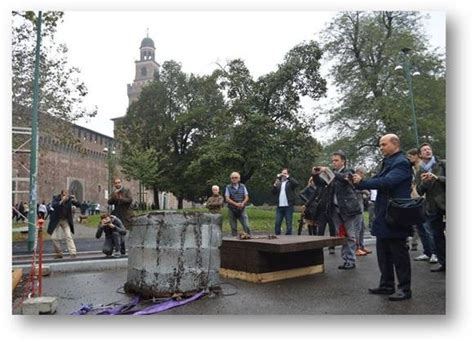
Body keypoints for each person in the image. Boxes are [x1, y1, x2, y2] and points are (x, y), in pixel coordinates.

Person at [352, 134, 413, 301]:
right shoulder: (389, 161)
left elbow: (387, 182)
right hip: (384, 212)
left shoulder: (401, 162)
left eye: (383, 144)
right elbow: (380, 179)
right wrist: (361, 182)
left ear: (395, 144)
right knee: (383, 251)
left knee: (399, 253)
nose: (381, 148)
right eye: (380, 145)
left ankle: (405, 289)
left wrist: (363, 182)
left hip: (396, 213)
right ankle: (386, 285)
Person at [311, 151, 362, 270]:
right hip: (335, 209)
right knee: (341, 235)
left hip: (347, 209)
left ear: (343, 161)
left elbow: (345, 179)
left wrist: (329, 171)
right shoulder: (332, 174)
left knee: (350, 235)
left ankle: (351, 260)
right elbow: (320, 184)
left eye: (336, 160)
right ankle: (346, 260)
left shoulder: (348, 171)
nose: (334, 162)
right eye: (332, 161)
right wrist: (315, 174)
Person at [415, 143, 446, 272]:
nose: (428, 151)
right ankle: (444, 263)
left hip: (447, 202)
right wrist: (425, 182)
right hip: (433, 206)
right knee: (437, 235)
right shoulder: (420, 170)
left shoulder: (442, 164)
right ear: (420, 155)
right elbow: (420, 191)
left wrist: (436, 177)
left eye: (429, 149)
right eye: (424, 150)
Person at [407, 148, 437, 264]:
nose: (409, 159)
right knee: (420, 227)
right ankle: (427, 251)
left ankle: (434, 252)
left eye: (411, 156)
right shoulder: (412, 169)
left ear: (417, 156)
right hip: (414, 199)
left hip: (422, 199)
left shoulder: (422, 167)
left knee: (427, 227)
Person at [47, 190, 81, 259]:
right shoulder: (56, 198)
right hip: (56, 220)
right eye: (65, 195)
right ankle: (59, 253)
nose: (66, 196)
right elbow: (54, 205)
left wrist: (75, 200)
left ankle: (73, 252)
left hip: (65, 220)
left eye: (67, 195)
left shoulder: (69, 200)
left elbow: (79, 205)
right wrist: (62, 201)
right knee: (53, 237)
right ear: (61, 195)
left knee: (68, 236)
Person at [272, 168, 299, 235]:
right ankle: (278, 238)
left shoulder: (290, 183)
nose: (283, 175)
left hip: (288, 206)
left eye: (285, 173)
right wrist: (274, 186)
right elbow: (273, 193)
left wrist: (288, 176)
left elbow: (296, 183)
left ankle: (288, 239)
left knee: (288, 223)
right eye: (282, 173)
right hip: (280, 206)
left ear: (288, 174)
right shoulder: (279, 183)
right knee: (277, 223)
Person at [225, 172, 251, 237]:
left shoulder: (243, 186)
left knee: (246, 226)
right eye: (232, 178)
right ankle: (234, 243)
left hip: (242, 209)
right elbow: (227, 199)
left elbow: (247, 197)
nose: (234, 179)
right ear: (230, 179)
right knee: (233, 228)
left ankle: (249, 239)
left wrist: (242, 203)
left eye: (236, 177)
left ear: (239, 179)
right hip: (232, 209)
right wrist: (236, 204)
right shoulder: (228, 187)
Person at [354, 167, 371, 256]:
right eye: (362, 174)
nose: (363, 176)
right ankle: (356, 248)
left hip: (361, 206)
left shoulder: (360, 182)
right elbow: (351, 190)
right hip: (355, 207)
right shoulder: (353, 180)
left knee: (362, 227)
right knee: (357, 228)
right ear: (359, 172)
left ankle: (361, 245)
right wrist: (362, 191)